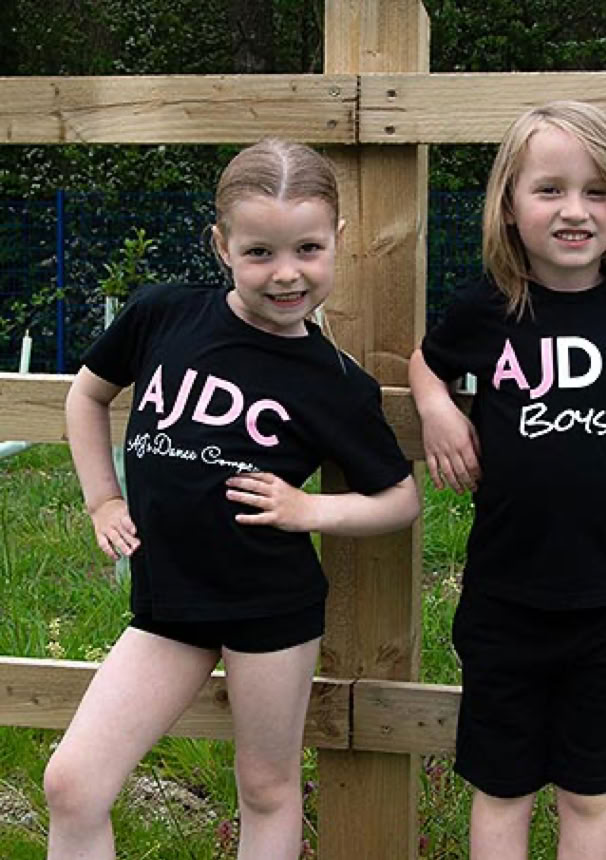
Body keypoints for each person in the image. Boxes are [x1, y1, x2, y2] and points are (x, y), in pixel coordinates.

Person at [45, 138, 420, 860]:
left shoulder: (336, 382)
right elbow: (86, 397)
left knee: (266, 788)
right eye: (259, 253)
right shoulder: (162, 314)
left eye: (308, 249)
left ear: (339, 239)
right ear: (221, 245)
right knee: (72, 784)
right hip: (167, 604)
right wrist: (102, 500)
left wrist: (311, 511)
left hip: (269, 608)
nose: (287, 273)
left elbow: (400, 499)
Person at [409, 101, 606, 860]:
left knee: (590, 791)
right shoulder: (486, 308)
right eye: (549, 189)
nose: (575, 211)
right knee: (502, 788)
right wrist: (437, 408)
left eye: (597, 191)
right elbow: (428, 361)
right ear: (509, 206)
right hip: (504, 601)